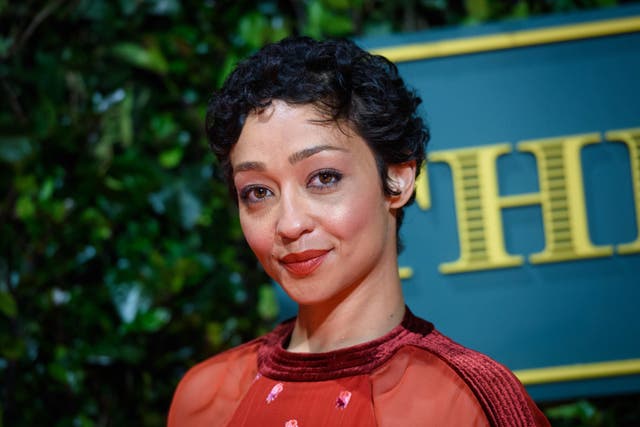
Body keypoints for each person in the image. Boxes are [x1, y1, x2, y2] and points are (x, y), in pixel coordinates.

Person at [168, 36, 550, 427]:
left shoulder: (467, 400)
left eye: (323, 178)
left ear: (398, 179)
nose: (289, 223)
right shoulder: (205, 400)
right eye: (258, 192)